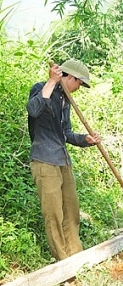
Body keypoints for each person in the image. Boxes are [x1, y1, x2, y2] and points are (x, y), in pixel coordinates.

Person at [27, 59, 101, 261]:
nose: (79, 88)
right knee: (54, 215)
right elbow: (33, 110)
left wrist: (85, 140)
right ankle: (63, 263)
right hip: (44, 160)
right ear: (70, 77)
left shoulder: (65, 100)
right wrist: (51, 82)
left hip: (63, 160)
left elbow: (65, 132)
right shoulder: (41, 89)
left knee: (71, 210)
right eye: (79, 83)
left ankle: (76, 256)